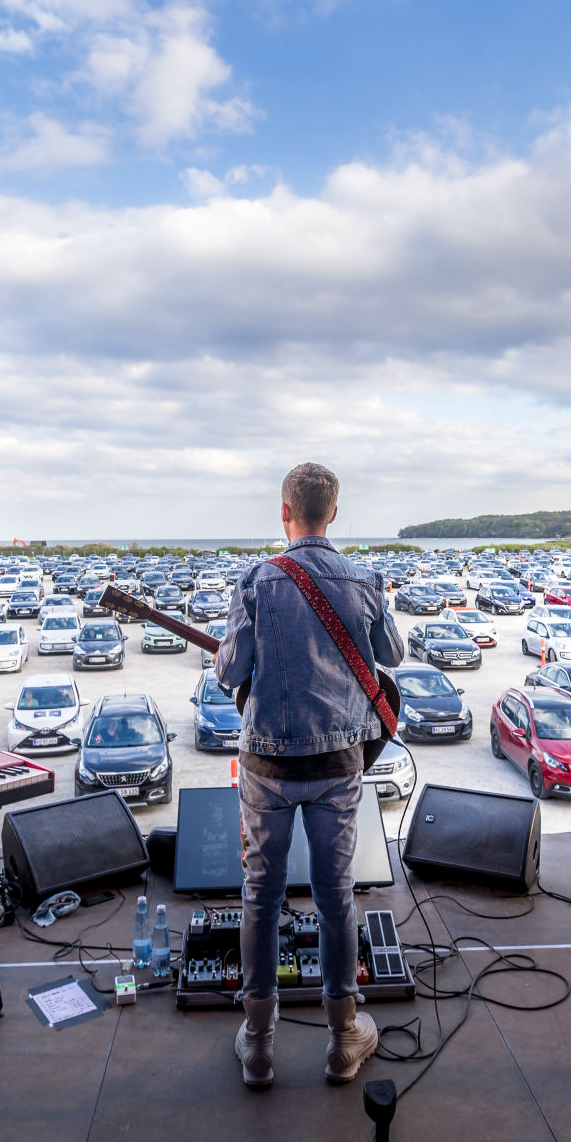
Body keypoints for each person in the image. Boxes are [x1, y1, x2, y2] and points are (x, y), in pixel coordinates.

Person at [214, 462, 404, 1090]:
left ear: (285, 513)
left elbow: (231, 667)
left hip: (266, 766)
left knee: (261, 899)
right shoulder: (362, 579)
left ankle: (260, 1046)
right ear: (334, 513)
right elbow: (392, 657)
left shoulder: (259, 581)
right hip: (337, 768)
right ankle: (343, 1039)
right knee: (336, 898)